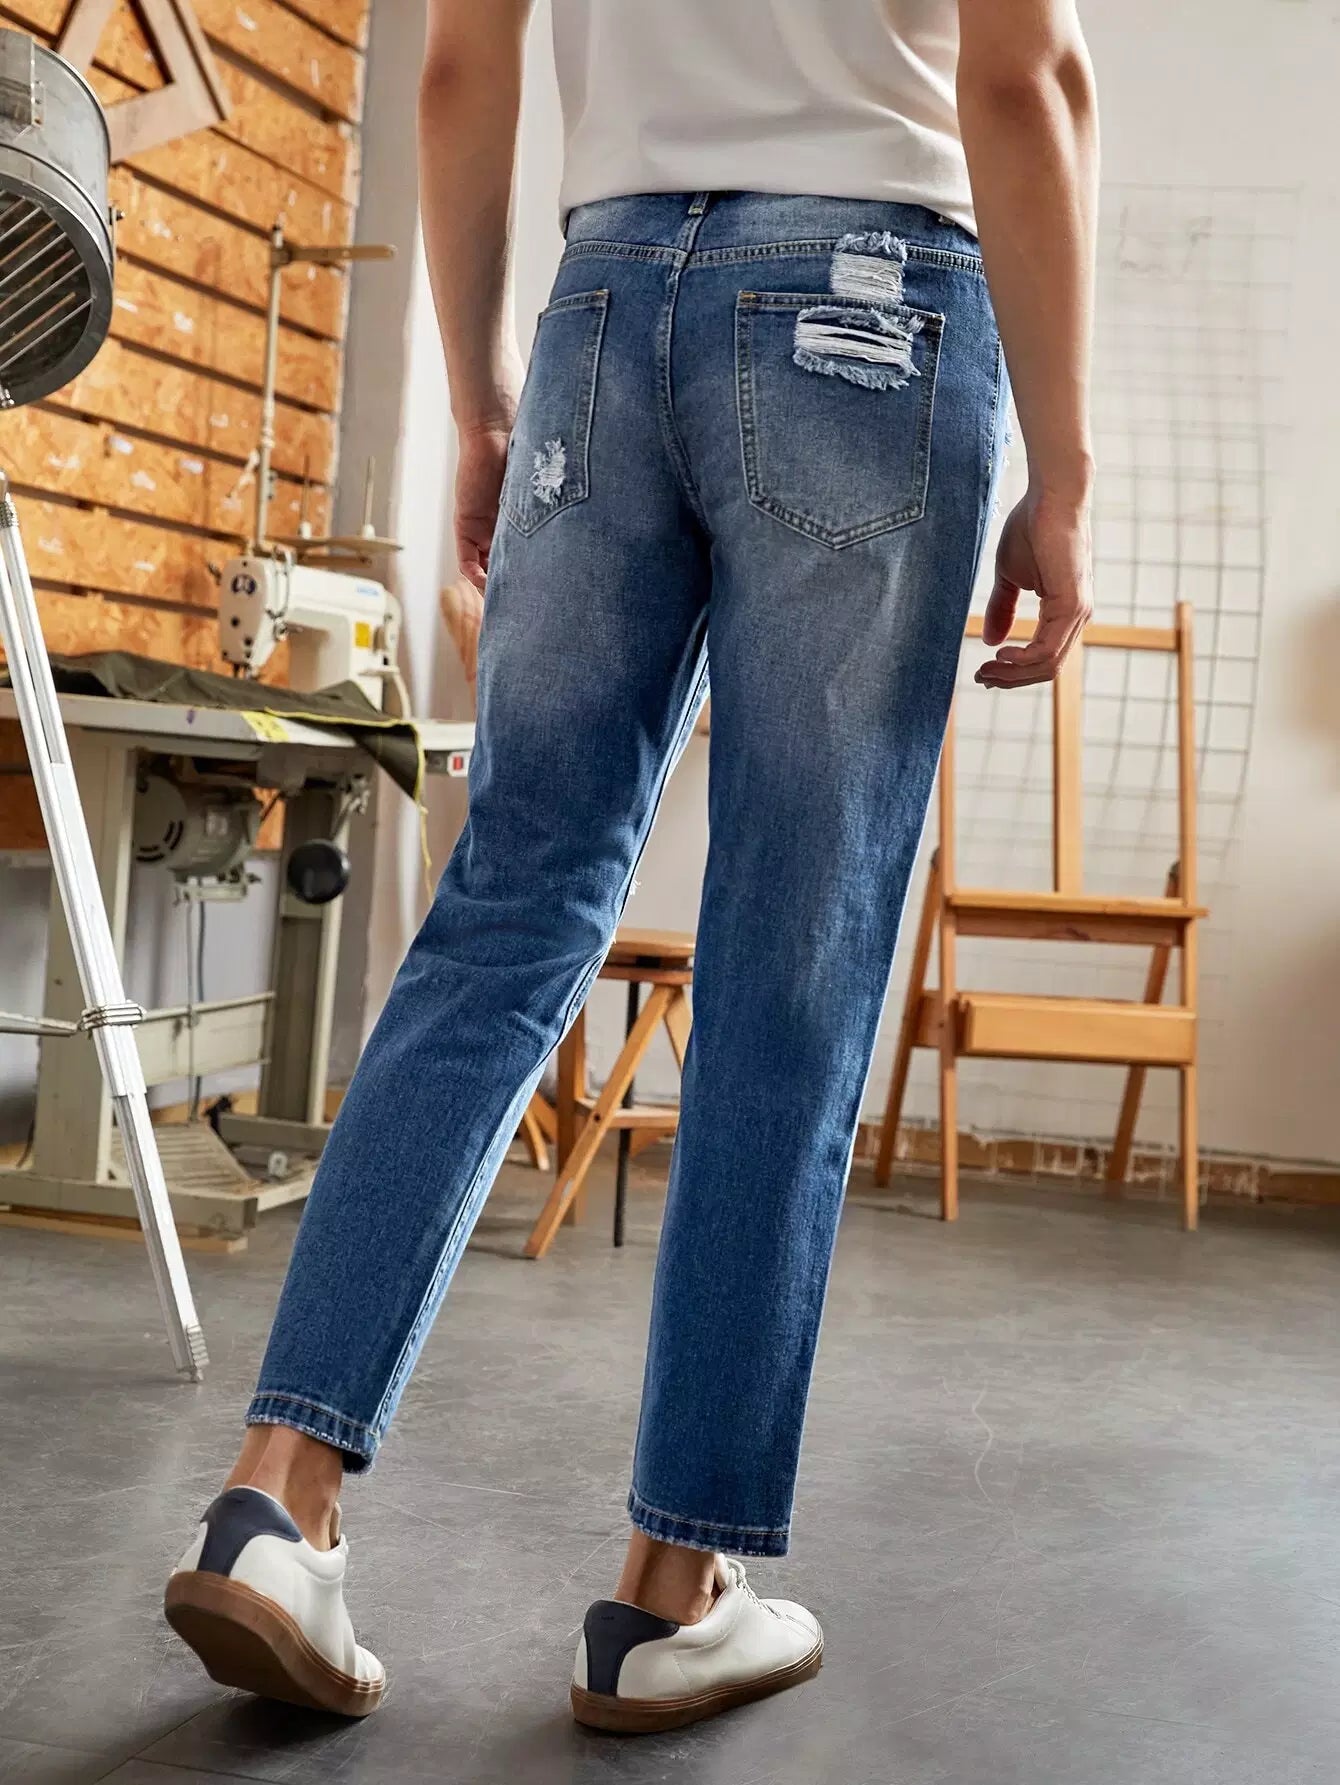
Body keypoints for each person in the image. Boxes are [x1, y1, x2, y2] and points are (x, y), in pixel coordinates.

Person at [162, 0, 1097, 1734]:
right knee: (792, 953)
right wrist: (1068, 467)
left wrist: (476, 399)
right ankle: (673, 1591)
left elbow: (461, 63)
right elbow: (1025, 72)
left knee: (505, 911)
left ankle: (276, 1500)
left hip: (601, 311)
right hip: (870, 301)